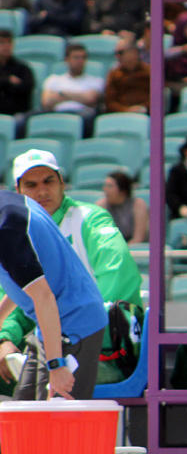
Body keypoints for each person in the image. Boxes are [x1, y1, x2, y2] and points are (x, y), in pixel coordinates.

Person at [2, 149, 140, 392]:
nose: (42, 192)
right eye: (31, 185)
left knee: (55, 413)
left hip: (94, 339)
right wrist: (6, 336)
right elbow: (18, 290)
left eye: (49, 181)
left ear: (62, 183)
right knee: (25, 408)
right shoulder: (17, 223)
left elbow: (117, 273)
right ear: (18, 190)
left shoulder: (89, 218)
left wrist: (88, 336)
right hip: (48, 333)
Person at [0, 189, 106, 400]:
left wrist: (56, 365)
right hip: (50, 328)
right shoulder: (9, 202)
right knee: (25, 416)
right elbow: (24, 279)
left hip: (75, 327)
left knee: (58, 422)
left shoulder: (6, 230)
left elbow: (44, 297)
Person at [40, 42, 103, 123]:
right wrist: (80, 96)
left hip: (82, 115)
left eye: (83, 58)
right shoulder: (53, 80)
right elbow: (47, 102)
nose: (80, 61)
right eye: (76, 58)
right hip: (58, 113)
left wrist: (62, 94)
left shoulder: (95, 81)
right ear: (67, 60)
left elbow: (90, 99)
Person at [97, 170, 148, 245]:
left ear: (122, 190)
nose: (105, 189)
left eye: (110, 186)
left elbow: (138, 238)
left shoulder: (138, 205)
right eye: (105, 185)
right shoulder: (101, 206)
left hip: (134, 249)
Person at [103, 35, 149, 114]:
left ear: (134, 52)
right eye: (116, 53)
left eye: (120, 53)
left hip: (146, 114)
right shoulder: (114, 74)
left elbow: (157, 98)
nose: (117, 56)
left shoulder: (149, 72)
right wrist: (125, 110)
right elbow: (109, 102)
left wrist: (143, 108)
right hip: (121, 116)